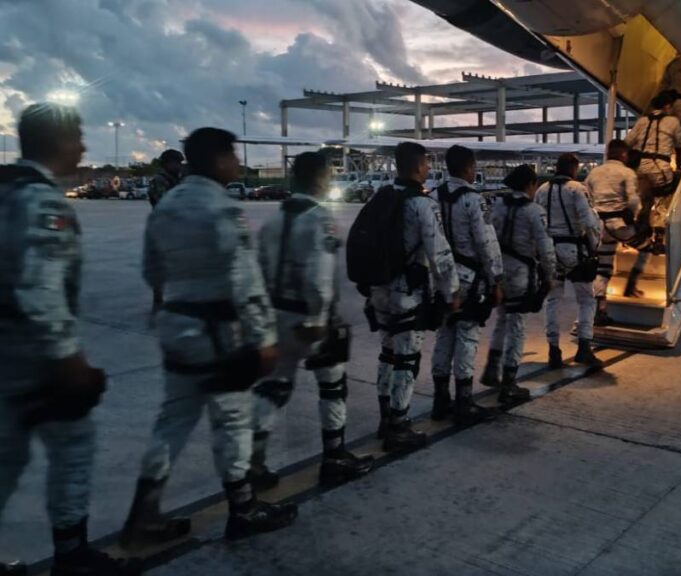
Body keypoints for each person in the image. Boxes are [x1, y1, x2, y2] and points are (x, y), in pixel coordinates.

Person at [121, 128, 296, 549]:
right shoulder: (222, 209)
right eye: (233, 156)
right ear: (218, 160)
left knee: (172, 420)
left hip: (176, 327)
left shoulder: (166, 205)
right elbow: (245, 280)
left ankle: (142, 515)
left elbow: (151, 271)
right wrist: (264, 336)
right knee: (232, 420)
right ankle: (243, 507)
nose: (236, 164)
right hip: (218, 334)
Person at [0, 104, 139, 576]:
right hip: (33, 359)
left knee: (6, 459)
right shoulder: (44, 203)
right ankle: (73, 555)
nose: (83, 147)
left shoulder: (4, 189)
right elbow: (39, 289)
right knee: (73, 448)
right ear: (57, 142)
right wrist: (69, 360)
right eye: (77, 137)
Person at [251, 151, 373, 489]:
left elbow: (258, 268)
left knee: (275, 387)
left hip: (277, 315)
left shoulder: (274, 219)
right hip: (310, 318)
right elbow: (319, 273)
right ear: (320, 179)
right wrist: (320, 317)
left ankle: (252, 462)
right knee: (333, 387)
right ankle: (334, 458)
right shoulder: (319, 218)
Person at [370, 142, 459, 452]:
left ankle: (385, 419)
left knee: (387, 352)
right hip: (407, 291)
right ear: (419, 166)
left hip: (380, 288)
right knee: (407, 359)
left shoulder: (381, 196)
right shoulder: (421, 204)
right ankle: (399, 427)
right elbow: (440, 254)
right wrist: (452, 292)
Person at [429, 145, 503, 425]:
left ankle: (440, 401)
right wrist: (496, 278)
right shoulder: (474, 200)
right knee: (467, 337)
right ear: (468, 168)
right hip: (469, 280)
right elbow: (486, 243)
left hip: (441, 278)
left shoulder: (433, 196)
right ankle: (464, 402)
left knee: (444, 335)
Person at [484, 165, 557, 402]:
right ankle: (509, 383)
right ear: (529, 185)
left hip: (499, 272)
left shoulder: (498, 206)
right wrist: (550, 274)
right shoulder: (534, 211)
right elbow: (545, 248)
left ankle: (492, 368)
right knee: (517, 327)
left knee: (502, 320)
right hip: (521, 275)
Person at [535, 153, 602, 368]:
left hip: (550, 251)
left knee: (553, 300)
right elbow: (589, 222)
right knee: (586, 299)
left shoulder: (542, 190)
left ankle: (553, 350)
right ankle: (584, 347)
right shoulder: (577, 189)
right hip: (575, 250)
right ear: (573, 168)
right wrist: (594, 247)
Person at [587, 139, 650, 325]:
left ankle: (601, 309)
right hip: (619, 225)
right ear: (624, 154)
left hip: (599, 227)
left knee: (603, 269)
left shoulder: (593, 173)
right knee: (646, 247)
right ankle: (632, 283)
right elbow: (633, 201)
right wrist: (638, 218)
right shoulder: (627, 172)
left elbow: (588, 198)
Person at [625, 89, 681, 252]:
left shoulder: (642, 121)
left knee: (645, 201)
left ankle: (642, 234)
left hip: (641, 168)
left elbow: (628, 141)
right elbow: (680, 144)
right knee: (663, 199)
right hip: (660, 167)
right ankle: (659, 238)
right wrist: (679, 167)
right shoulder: (673, 121)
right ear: (667, 106)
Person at [146, 149, 185, 316]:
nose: (178, 166)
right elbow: (164, 203)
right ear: (167, 163)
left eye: (179, 162)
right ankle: (158, 301)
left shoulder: (176, 180)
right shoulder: (159, 181)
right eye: (176, 162)